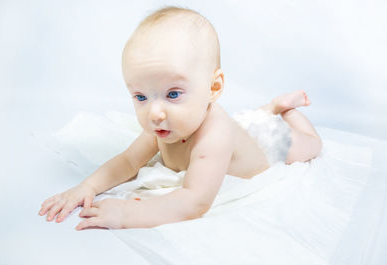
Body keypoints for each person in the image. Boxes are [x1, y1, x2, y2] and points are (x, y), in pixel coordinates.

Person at [38, 6, 322, 230]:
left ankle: (285, 110)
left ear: (213, 88)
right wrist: (86, 187)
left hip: (266, 146)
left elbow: (194, 201)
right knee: (247, 123)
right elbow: (128, 161)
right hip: (243, 132)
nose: (154, 112)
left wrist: (127, 212)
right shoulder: (162, 121)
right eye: (141, 97)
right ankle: (270, 109)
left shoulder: (215, 136)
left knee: (308, 146)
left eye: (173, 94)